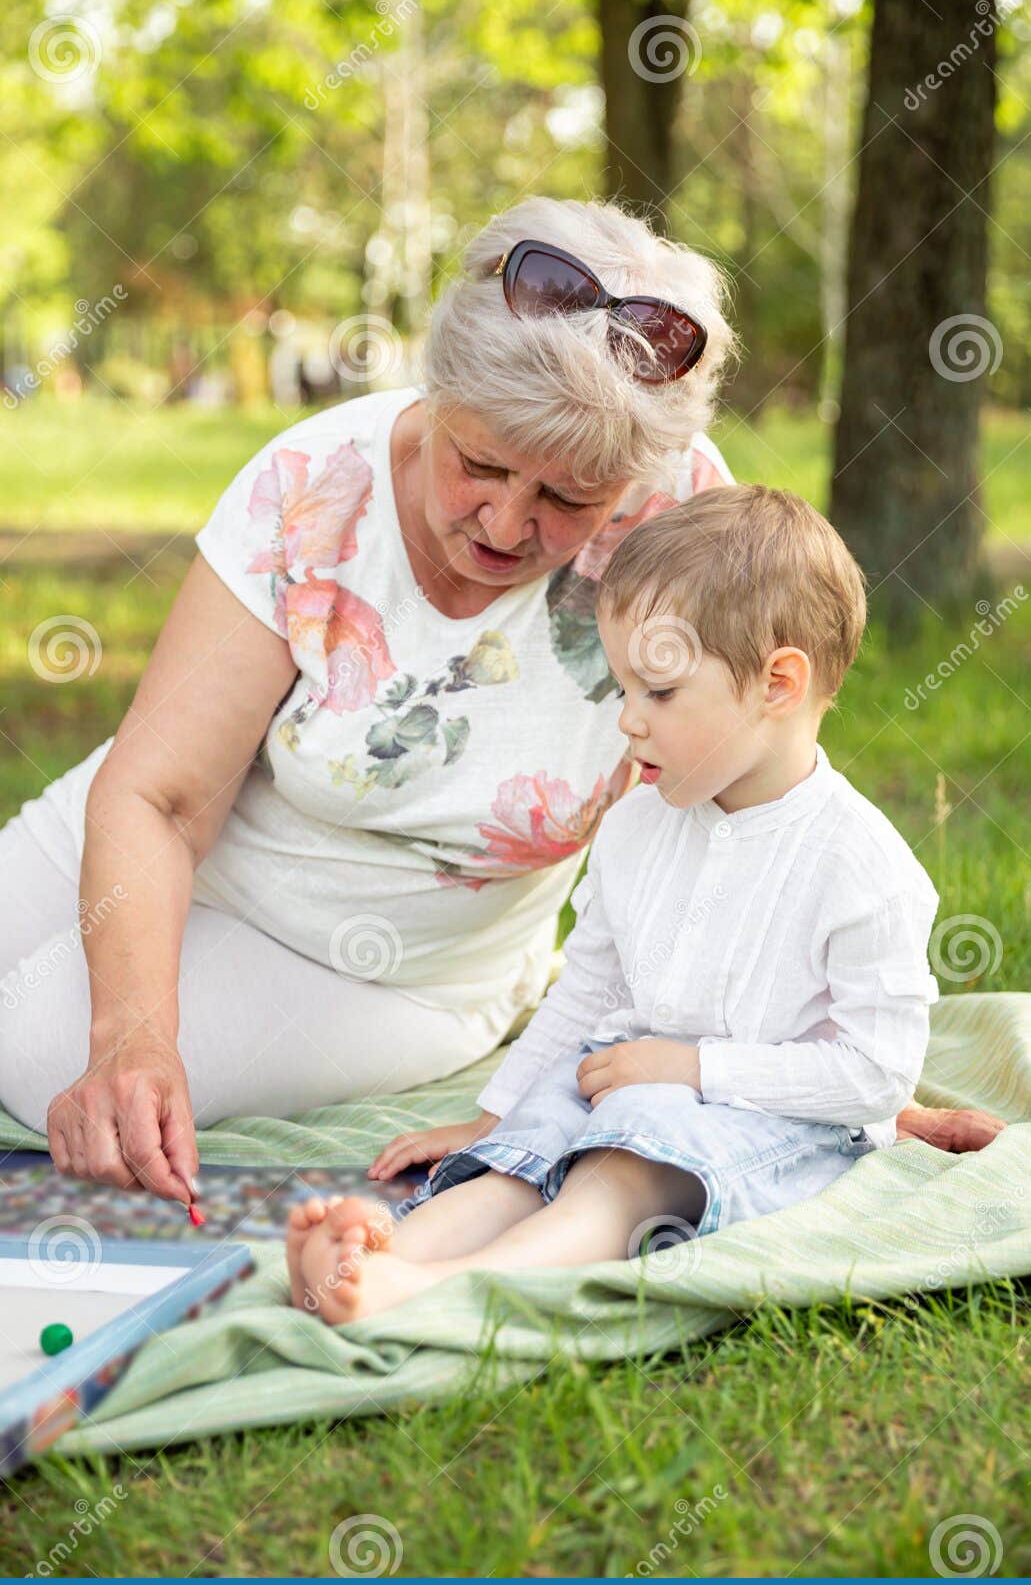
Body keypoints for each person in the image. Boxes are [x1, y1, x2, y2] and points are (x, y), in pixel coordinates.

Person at [0, 198, 997, 1202]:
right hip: (163, 839)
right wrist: (133, 1029)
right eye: (478, 464)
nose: (506, 521)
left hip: (379, 964)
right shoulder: (311, 485)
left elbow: (752, 792)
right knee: (95, 1034)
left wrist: (833, 1088)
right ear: (435, 392)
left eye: (568, 499)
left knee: (38, 1052)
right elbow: (160, 798)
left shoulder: (683, 515)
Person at [285, 484, 1000, 1325]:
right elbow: (585, 988)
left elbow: (876, 1075)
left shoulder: (857, 864)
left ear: (777, 683)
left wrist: (696, 1069)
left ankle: (441, 1293)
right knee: (534, 1143)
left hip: (784, 1121)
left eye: (658, 695)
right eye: (621, 689)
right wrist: (491, 1115)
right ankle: (380, 1255)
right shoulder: (637, 825)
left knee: (619, 1170)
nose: (628, 722)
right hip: (631, 1081)